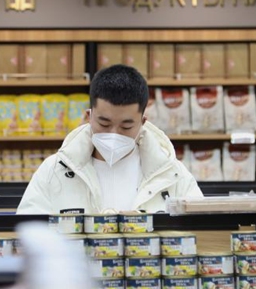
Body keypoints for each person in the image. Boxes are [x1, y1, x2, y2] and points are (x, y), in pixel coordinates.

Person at [17, 64, 202, 214]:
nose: (114, 134)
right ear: (89, 116)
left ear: (142, 122)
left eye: (126, 126)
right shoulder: (54, 171)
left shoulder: (172, 174)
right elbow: (27, 234)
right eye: (104, 124)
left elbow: (201, 232)